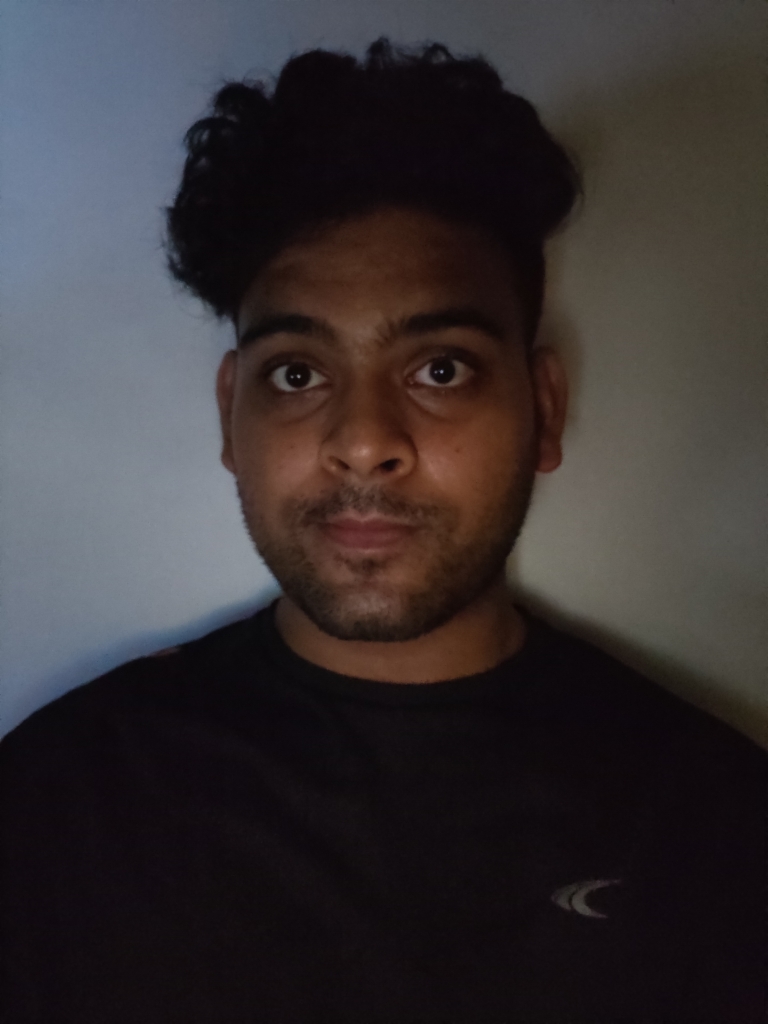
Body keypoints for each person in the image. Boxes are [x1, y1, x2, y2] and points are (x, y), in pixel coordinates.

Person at [1, 39, 764, 1024]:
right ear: (232, 414)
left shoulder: (715, 823)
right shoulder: (59, 803)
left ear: (543, 406)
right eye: (297, 373)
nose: (363, 442)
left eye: (440, 369)